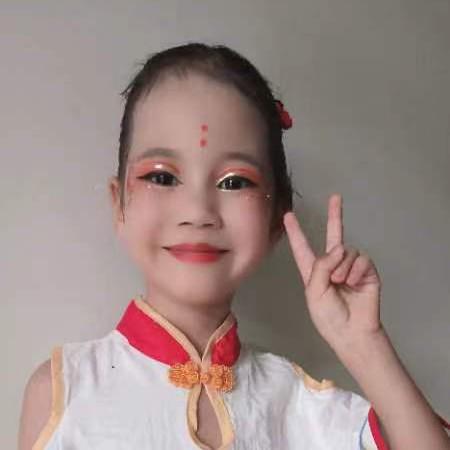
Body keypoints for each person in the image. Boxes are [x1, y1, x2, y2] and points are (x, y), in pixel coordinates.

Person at [18, 42, 449, 450]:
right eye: (162, 176)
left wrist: (361, 342)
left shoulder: (299, 405)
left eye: (234, 182)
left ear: (277, 218)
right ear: (119, 205)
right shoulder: (63, 392)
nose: (198, 211)